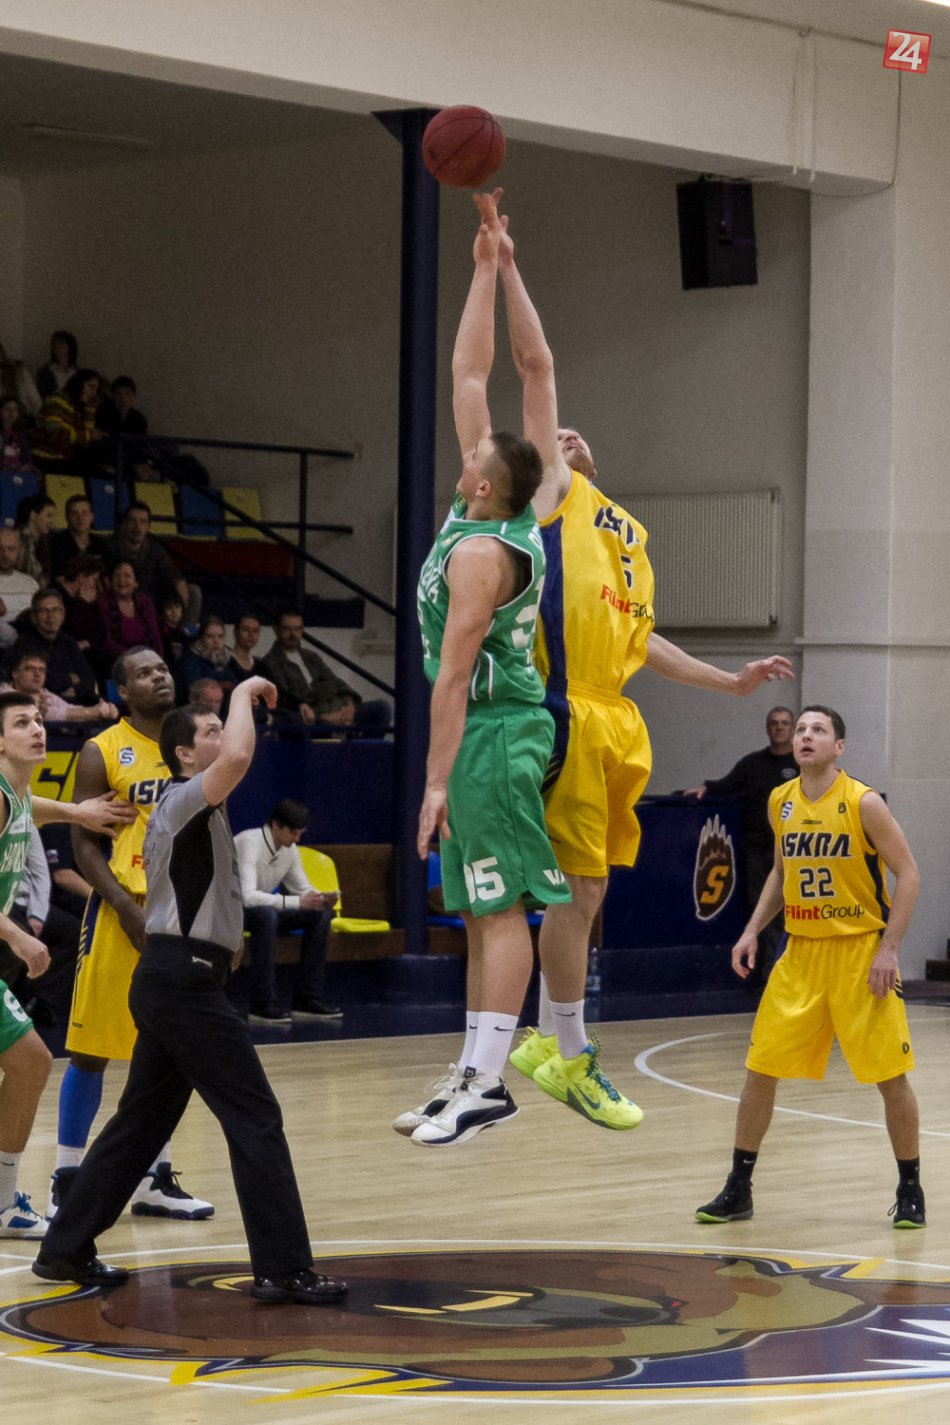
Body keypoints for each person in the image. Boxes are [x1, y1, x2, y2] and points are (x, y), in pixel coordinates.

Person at [458, 192, 794, 1129]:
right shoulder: (543, 500)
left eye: (568, 441)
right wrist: (504, 264)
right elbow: (533, 367)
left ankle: (547, 1044)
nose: (564, 440)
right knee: (559, 887)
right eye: (552, 443)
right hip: (559, 704)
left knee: (594, 887)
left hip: (615, 711)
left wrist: (729, 681)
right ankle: (554, 1049)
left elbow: (642, 639)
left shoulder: (628, 532)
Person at [33, 680, 349, 1306]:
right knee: (255, 1116)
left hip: (172, 978)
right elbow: (239, 755)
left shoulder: (196, 805)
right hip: (183, 981)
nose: (223, 738)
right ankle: (283, 1268)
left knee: (140, 1124)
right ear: (183, 754)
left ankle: (64, 1247)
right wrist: (245, 690)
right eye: (209, 732)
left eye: (220, 727)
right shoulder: (184, 799)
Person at [398, 196, 573, 1149]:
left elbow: (453, 678)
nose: (469, 443)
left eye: (474, 452)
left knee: (501, 907)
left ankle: (492, 1082)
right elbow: (501, 368)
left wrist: (433, 783)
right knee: (477, 908)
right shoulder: (507, 498)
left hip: (496, 731)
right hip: (482, 729)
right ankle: (469, 1068)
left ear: (481, 481)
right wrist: (492, 263)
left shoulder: (481, 553)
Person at [695, 705, 925, 1229]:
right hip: (800, 952)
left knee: (890, 1077)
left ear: (838, 747)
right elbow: (781, 874)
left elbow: (909, 874)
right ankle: (739, 1187)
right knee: (760, 1070)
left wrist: (889, 949)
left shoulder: (863, 802)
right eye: (800, 729)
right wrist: (751, 930)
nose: (805, 736)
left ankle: (910, 1188)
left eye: (818, 730)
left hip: (859, 952)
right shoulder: (781, 800)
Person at [47, 646, 213, 1222]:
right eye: (144, 672)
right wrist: (121, 905)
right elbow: (82, 843)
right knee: (90, 1049)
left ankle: (152, 1177)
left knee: (166, 1048)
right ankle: (67, 1176)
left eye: (162, 668)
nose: (159, 676)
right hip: (121, 909)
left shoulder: (192, 746)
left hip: (180, 912)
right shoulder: (102, 749)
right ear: (122, 691)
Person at [0, 690, 136, 1238]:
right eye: (21, 723)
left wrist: (78, 811)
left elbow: (32, 808)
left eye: (38, 720)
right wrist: (19, 937)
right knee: (31, 1061)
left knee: (31, 1062)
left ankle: (2, 1202)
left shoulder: (15, 794)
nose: (37, 729)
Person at [683, 706, 798, 977]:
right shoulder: (753, 764)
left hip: (794, 850)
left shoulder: (802, 765)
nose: (779, 727)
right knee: (763, 911)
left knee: (795, 912)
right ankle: (769, 974)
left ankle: (793, 974)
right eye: (774, 723)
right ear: (767, 728)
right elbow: (726, 784)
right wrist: (706, 789)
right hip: (759, 850)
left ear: (792, 728)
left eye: (784, 723)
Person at [235, 799, 341, 1023]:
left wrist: (320, 899)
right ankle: (261, 1003)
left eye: (300, 833)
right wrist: (298, 902)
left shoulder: (289, 849)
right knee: (266, 916)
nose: (297, 839)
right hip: (229, 912)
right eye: (293, 833)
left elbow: (301, 888)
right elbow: (247, 897)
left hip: (262, 912)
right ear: (276, 825)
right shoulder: (249, 842)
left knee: (320, 915)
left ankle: (307, 998)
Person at [261, 608, 390, 736]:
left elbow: (336, 682)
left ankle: (364, 747)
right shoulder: (270, 663)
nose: (293, 634)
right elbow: (288, 702)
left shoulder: (310, 656)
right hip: (314, 717)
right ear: (276, 630)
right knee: (324, 725)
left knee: (382, 708)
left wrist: (349, 707)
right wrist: (324, 717)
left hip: (338, 707)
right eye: (287, 629)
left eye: (298, 629)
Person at [14, 588, 98, 704]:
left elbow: (89, 678)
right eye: (44, 611)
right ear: (34, 617)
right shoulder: (25, 643)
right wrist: (71, 678)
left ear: (63, 614)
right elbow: (41, 680)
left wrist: (75, 690)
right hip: (46, 704)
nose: (51, 616)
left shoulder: (68, 641)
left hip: (77, 700)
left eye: (56, 610)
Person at [109, 501, 191, 616]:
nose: (137, 526)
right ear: (125, 523)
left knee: (193, 592)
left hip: (151, 599)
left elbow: (169, 571)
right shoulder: (112, 547)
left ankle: (183, 627)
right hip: (121, 598)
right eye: (132, 521)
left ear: (148, 526)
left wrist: (178, 582)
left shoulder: (155, 549)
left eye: (142, 522)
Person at [0, 647, 117, 724]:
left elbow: (69, 709)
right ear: (15, 673)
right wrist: (92, 712)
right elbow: (52, 714)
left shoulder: (44, 694)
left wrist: (103, 710)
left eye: (41, 669)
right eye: (30, 668)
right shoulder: (4, 694)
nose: (37, 674)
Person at [32, 369, 105, 473]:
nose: (93, 393)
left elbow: (84, 442)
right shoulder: (56, 400)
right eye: (91, 386)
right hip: (46, 456)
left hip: (64, 458)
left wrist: (90, 409)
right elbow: (55, 434)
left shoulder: (76, 406)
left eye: (96, 389)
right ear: (79, 383)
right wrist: (89, 435)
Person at [97, 560, 163, 665]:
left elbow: (156, 638)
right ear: (111, 581)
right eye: (117, 576)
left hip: (147, 659)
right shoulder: (103, 602)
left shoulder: (145, 602)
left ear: (135, 583)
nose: (121, 580)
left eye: (127, 576)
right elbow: (108, 642)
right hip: (118, 661)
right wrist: (135, 659)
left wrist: (158, 661)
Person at [49, 493, 110, 580]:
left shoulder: (101, 545)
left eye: (84, 513)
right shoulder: (55, 543)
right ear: (67, 517)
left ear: (91, 517)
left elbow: (106, 577)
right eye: (74, 513)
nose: (80, 518)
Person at [174, 616, 235, 704]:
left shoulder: (226, 658)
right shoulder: (190, 660)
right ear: (201, 638)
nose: (216, 641)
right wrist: (224, 686)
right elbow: (196, 691)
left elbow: (234, 684)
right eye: (210, 636)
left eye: (220, 636)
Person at [0, 529, 39, 651]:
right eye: (0, 549)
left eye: (11, 549)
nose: (5, 554)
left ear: (19, 551)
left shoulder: (30, 583)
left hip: (30, 648)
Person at [15, 494, 56, 585]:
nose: (52, 521)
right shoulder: (21, 538)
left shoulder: (42, 540)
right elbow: (31, 573)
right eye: (49, 516)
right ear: (33, 515)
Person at [35, 330, 78, 400]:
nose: (56, 345)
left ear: (70, 347)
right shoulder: (45, 373)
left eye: (60, 342)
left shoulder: (77, 372)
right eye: (53, 343)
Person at [1, 397, 39, 472]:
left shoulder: (20, 433)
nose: (11, 413)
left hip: (18, 470)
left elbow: (26, 455)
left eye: (15, 410)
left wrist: (27, 466)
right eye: (7, 409)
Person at [229, 611, 266, 683]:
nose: (251, 635)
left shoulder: (260, 666)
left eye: (255, 631)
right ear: (235, 632)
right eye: (245, 629)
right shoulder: (225, 662)